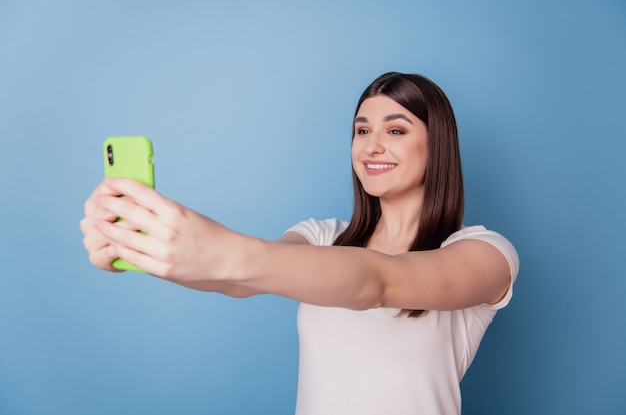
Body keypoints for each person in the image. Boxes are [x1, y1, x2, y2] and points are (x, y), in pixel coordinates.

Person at [80, 72, 519, 415]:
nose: (372, 146)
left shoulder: (486, 254)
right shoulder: (321, 235)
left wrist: (222, 249)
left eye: (396, 130)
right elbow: (239, 280)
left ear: (436, 145)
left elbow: (378, 282)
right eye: (362, 131)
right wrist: (141, 248)